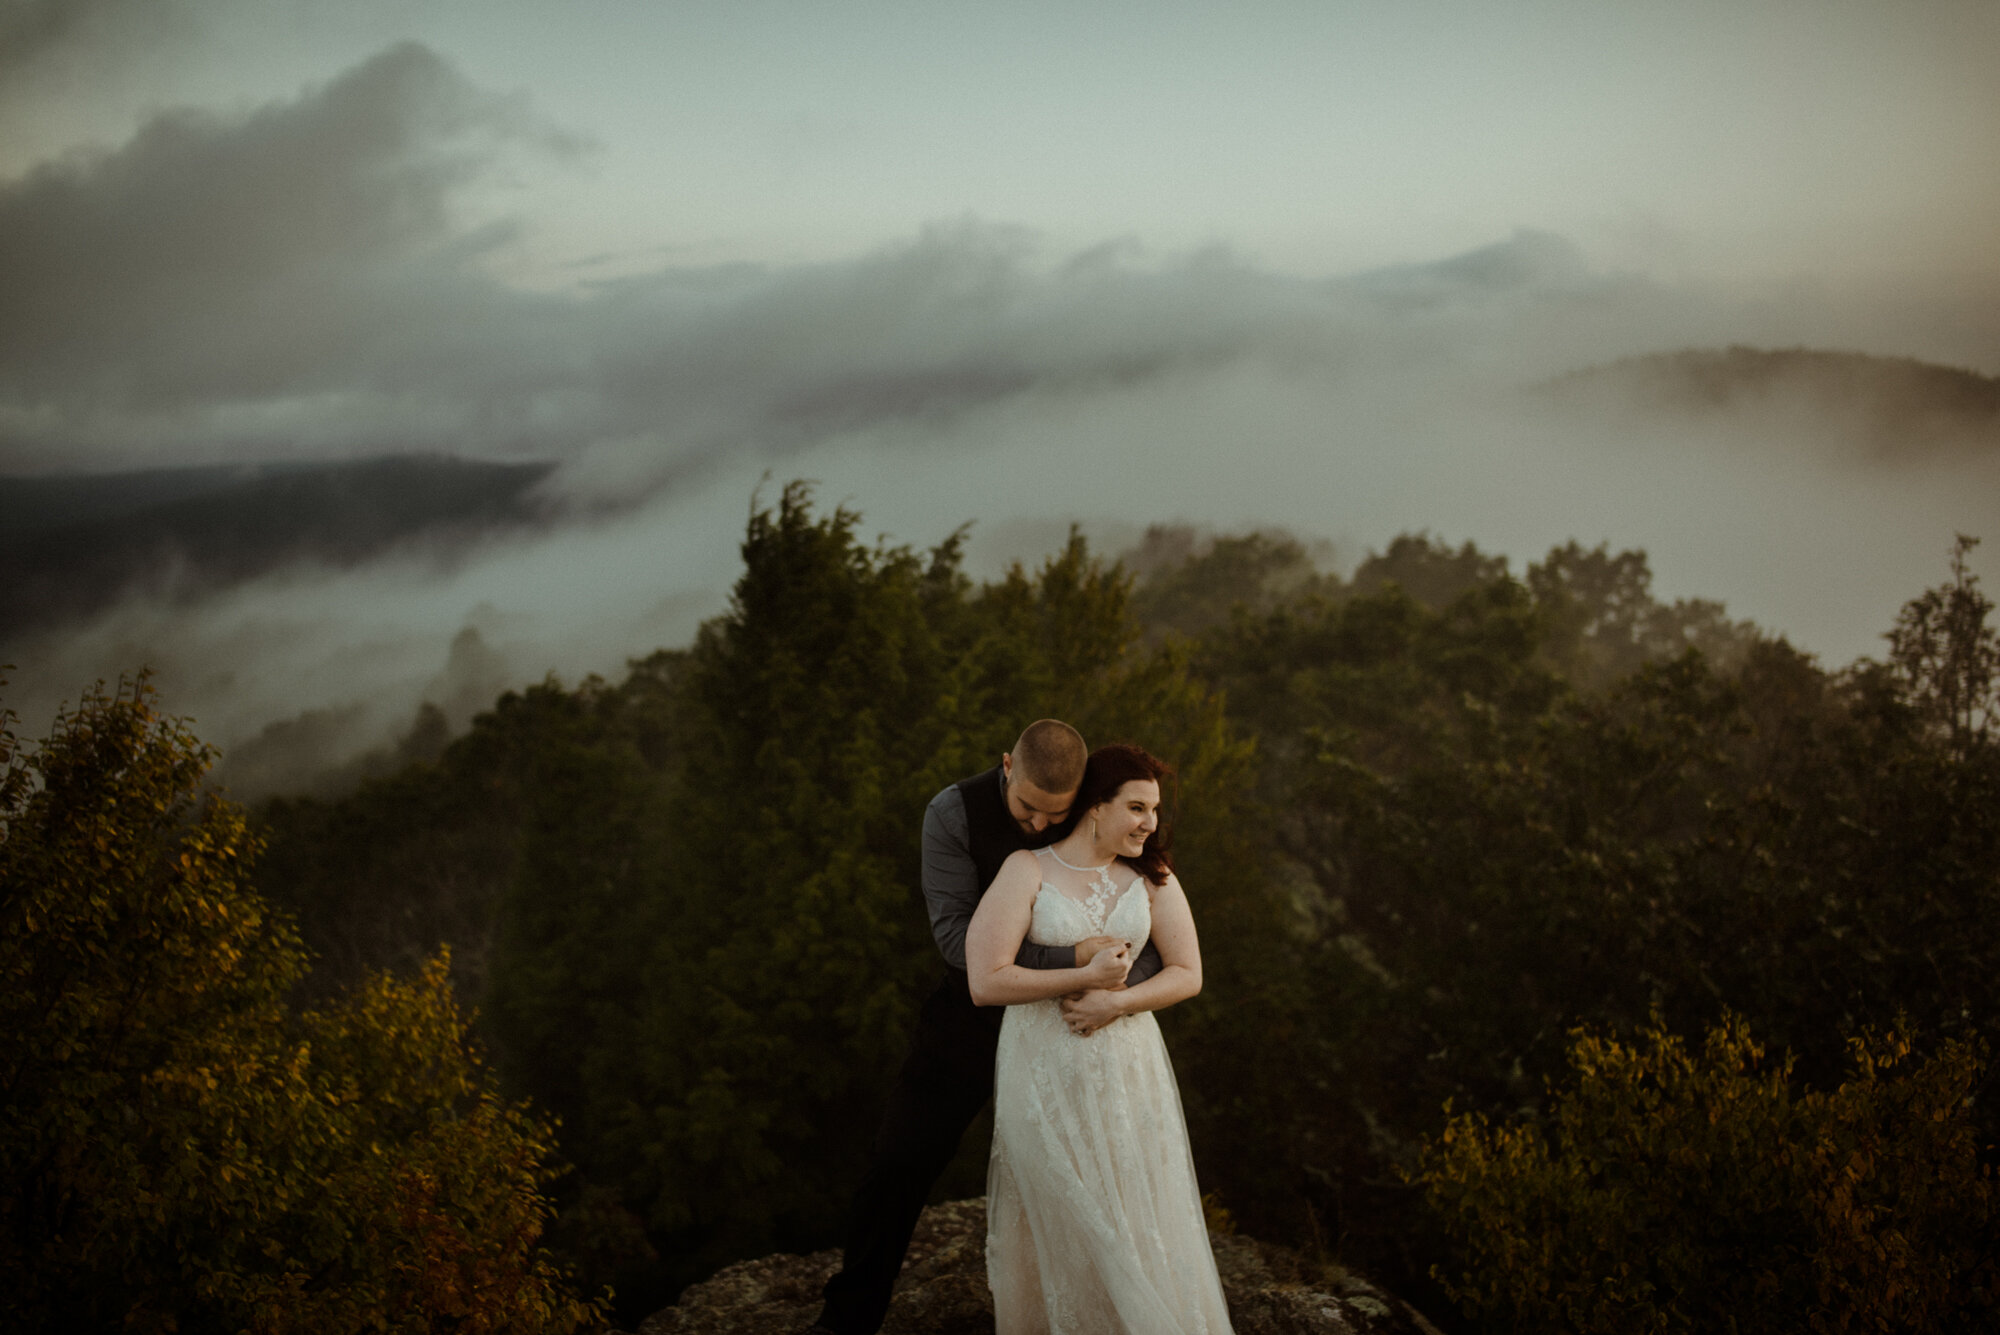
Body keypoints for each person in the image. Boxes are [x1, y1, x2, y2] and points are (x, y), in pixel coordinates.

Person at [809, 721, 1165, 1335]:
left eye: (1054, 816)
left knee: (1099, 1176)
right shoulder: (951, 814)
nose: (1036, 826)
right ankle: (848, 1318)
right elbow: (957, 944)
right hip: (972, 1018)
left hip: (1075, 1026)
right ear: (1006, 766)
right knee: (900, 1162)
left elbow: (1146, 922)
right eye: (1027, 808)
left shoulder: (1097, 805)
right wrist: (1073, 959)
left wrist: (1117, 986)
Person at [966, 743, 1234, 1334]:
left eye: (1154, 810)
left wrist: (1117, 1001)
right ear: (1095, 807)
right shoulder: (1027, 870)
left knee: (1137, 1211)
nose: (1150, 823)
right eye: (1136, 807)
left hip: (1130, 1067)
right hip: (1041, 1068)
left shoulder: (1154, 877)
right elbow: (986, 980)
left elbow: (1187, 973)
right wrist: (1082, 976)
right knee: (1063, 1212)